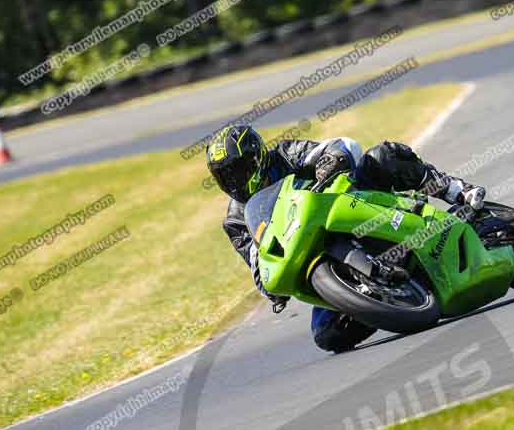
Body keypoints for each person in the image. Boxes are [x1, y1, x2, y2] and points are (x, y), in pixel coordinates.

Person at [206, 124, 486, 352]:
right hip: (314, 252)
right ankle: (385, 301)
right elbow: (257, 264)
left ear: (256, 157)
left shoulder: (285, 154)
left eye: (237, 170)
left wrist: (331, 160)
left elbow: (341, 145)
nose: (232, 182)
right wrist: (271, 286)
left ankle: (456, 191)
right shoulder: (235, 221)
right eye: (223, 177)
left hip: (351, 205)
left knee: (382, 156)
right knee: (327, 335)